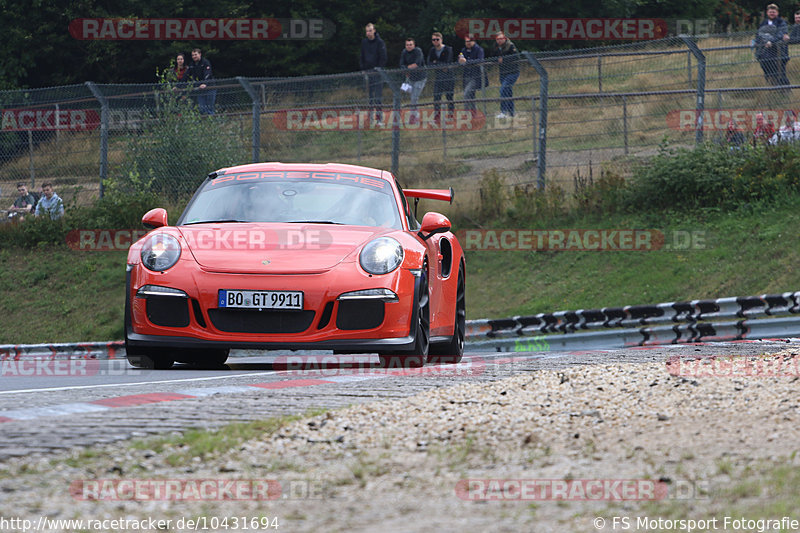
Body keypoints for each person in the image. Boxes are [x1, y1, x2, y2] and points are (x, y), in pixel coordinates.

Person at [754, 4, 790, 86]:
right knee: (766, 68)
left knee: (780, 71)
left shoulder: (781, 22)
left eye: (774, 12)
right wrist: (757, 42)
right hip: (765, 52)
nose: (772, 13)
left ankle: (785, 89)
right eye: (770, 12)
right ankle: (771, 87)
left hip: (779, 51)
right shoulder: (763, 23)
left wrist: (771, 41)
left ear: (777, 13)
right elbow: (759, 34)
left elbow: (781, 34)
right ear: (767, 13)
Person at [359, 23, 388, 124]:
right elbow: (361, 55)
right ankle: (370, 117)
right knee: (370, 96)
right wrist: (363, 68)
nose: (368, 33)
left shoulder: (380, 43)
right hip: (367, 72)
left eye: (370, 31)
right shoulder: (364, 42)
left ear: (374, 30)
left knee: (378, 97)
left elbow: (383, 57)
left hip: (378, 73)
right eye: (367, 31)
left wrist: (378, 69)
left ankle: (379, 118)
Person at [428, 32, 455, 124]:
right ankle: (437, 117)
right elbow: (429, 63)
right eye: (433, 40)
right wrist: (438, 64)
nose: (435, 41)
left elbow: (447, 63)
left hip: (449, 77)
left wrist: (436, 63)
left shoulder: (448, 49)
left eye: (437, 39)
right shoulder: (432, 50)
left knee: (449, 97)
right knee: (436, 97)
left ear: (441, 40)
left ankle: (451, 116)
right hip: (438, 77)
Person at [493, 31, 521, 119]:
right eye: (498, 39)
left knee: (503, 90)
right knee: (508, 92)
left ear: (504, 38)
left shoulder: (510, 46)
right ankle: (512, 112)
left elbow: (516, 57)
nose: (499, 41)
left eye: (501, 39)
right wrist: (496, 60)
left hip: (513, 72)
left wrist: (503, 60)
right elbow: (492, 57)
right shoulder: (496, 47)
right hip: (503, 73)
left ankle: (503, 111)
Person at [399, 38, 427, 124]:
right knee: (409, 95)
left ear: (414, 45)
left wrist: (407, 69)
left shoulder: (418, 51)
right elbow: (401, 65)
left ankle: (415, 117)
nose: (409, 46)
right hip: (410, 78)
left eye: (410, 44)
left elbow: (417, 64)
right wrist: (407, 69)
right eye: (407, 45)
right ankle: (414, 114)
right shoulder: (404, 52)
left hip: (420, 78)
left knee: (414, 97)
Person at [458, 35, 485, 114]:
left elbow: (480, 60)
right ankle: (474, 114)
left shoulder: (479, 49)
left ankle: (466, 113)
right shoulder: (463, 50)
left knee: (466, 93)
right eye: (466, 41)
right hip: (466, 76)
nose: (468, 43)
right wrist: (460, 60)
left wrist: (467, 62)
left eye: (470, 41)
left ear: (474, 41)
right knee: (471, 96)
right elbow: (460, 59)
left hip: (476, 77)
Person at [187, 48, 216, 115]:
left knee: (210, 107)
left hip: (210, 87)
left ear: (200, 54)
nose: (194, 56)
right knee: (202, 108)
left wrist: (205, 83)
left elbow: (208, 73)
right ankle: (205, 123)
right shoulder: (192, 65)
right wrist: (178, 86)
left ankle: (211, 122)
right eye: (192, 55)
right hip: (200, 89)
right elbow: (186, 75)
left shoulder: (205, 62)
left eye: (195, 54)